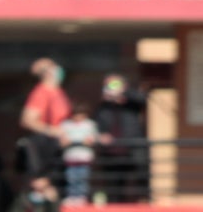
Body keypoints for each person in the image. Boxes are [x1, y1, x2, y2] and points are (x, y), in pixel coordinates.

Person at [93, 74, 148, 203]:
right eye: (108, 85)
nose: (111, 88)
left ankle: (142, 202)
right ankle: (114, 205)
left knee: (139, 176)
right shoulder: (104, 107)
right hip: (112, 152)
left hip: (132, 148)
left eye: (114, 84)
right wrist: (101, 135)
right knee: (114, 182)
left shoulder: (131, 103)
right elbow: (98, 124)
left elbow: (142, 99)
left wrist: (123, 91)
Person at [19, 56, 72, 177]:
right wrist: (53, 131)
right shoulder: (41, 93)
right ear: (47, 72)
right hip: (46, 148)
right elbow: (27, 120)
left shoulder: (58, 91)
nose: (58, 69)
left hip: (60, 147)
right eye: (53, 66)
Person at [58, 106, 100, 203]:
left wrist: (90, 140)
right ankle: (72, 196)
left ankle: (81, 196)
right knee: (71, 177)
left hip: (84, 157)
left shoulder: (90, 124)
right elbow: (62, 139)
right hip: (71, 156)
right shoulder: (66, 125)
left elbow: (94, 138)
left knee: (83, 177)